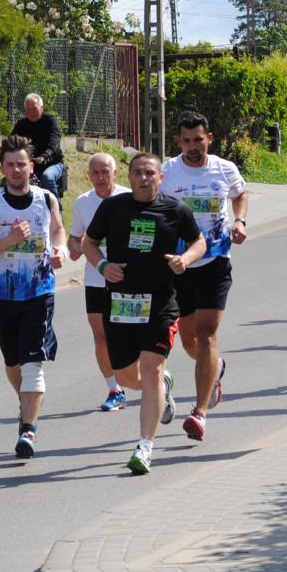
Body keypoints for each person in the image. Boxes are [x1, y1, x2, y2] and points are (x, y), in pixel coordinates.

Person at [83, 152, 204, 474]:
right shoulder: (113, 208)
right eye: (137, 172)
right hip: (120, 303)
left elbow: (199, 243)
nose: (143, 178)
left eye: (150, 173)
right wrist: (103, 266)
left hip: (160, 303)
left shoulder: (175, 210)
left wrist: (185, 260)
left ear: (160, 177)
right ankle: (163, 385)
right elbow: (88, 243)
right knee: (125, 377)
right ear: (130, 177)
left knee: (150, 369)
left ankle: (145, 446)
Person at [0, 134, 66, 459]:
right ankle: (25, 403)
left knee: (32, 363)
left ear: (31, 167)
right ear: (2, 167)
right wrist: (10, 240)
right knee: (13, 363)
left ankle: (28, 430)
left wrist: (60, 250)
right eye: (10, 165)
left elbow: (58, 230)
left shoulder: (46, 199)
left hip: (39, 292)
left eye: (21, 164)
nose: (16, 170)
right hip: (2, 295)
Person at [160, 110, 248, 442]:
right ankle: (215, 367)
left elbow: (239, 194)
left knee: (207, 334)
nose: (193, 147)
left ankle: (199, 412)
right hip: (180, 264)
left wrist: (239, 221)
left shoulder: (225, 169)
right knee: (189, 341)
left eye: (198, 140)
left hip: (215, 260)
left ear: (209, 138)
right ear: (178, 141)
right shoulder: (168, 171)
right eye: (186, 141)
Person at [66, 151, 133, 411]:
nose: (101, 176)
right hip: (96, 279)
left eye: (105, 171)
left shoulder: (130, 198)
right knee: (101, 338)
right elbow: (75, 236)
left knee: (130, 337)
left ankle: (151, 376)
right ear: (89, 176)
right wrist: (73, 247)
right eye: (95, 172)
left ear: (115, 173)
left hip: (128, 278)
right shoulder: (83, 203)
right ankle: (115, 390)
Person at [11, 93, 67, 199]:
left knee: (47, 177)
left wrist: (45, 156)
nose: (31, 112)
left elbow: (54, 142)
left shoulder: (50, 121)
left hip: (53, 163)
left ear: (42, 108)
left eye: (34, 109)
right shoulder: (21, 124)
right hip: (30, 165)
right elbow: (11, 142)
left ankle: (55, 206)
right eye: (28, 109)